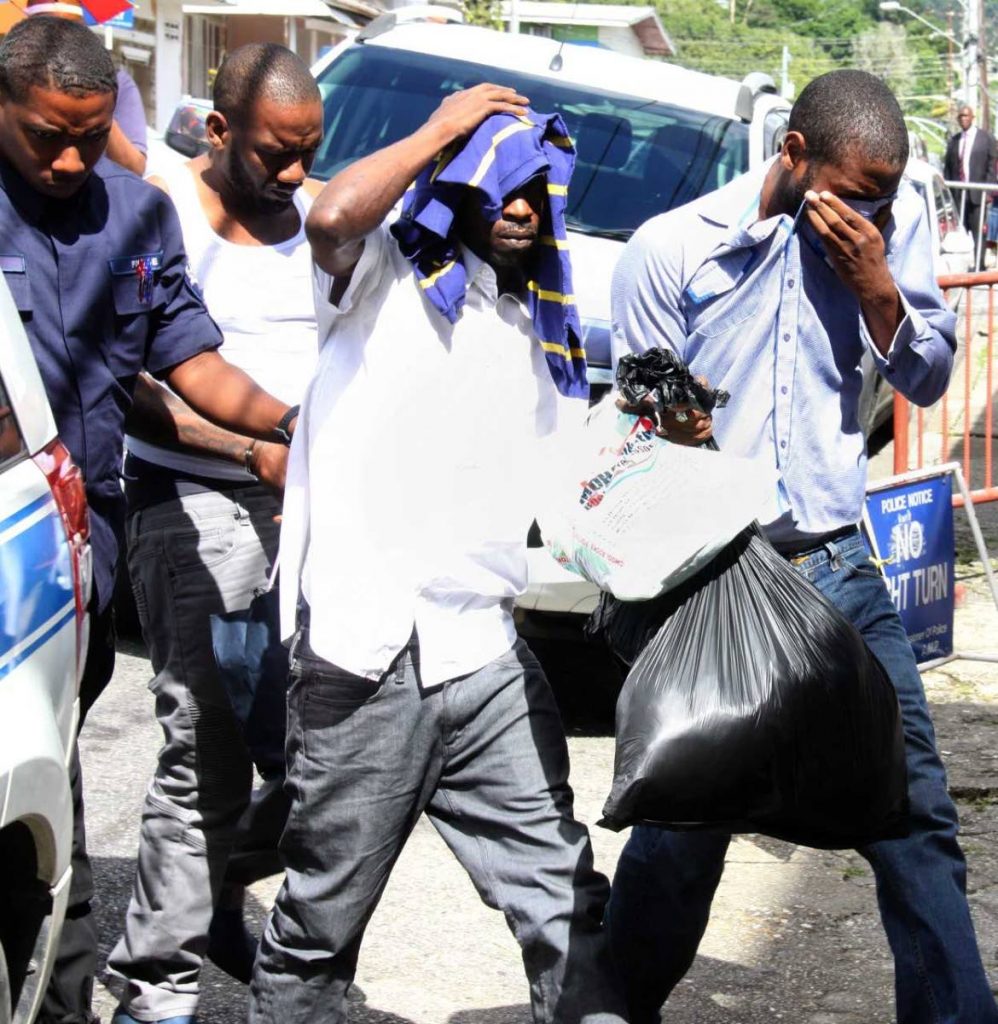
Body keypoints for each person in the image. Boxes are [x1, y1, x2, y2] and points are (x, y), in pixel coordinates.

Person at [608, 69, 997, 1024]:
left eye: (888, 190)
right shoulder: (675, 249)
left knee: (916, 816)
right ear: (794, 155)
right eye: (857, 189)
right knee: (685, 826)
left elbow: (928, 374)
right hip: (714, 575)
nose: (876, 209)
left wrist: (878, 289)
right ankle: (611, 1006)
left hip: (839, 568)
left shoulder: (889, 231)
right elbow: (642, 425)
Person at [247, 84, 627, 1024]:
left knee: (567, 903)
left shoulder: (538, 330)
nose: (522, 208)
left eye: (539, 192)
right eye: (501, 185)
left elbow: (571, 497)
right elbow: (332, 213)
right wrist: (444, 127)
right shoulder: (376, 275)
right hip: (364, 655)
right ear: (454, 185)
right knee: (318, 930)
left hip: (483, 656)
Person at [0, 17, 298, 1024]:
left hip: (71, 557)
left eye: (89, 135)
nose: (71, 158)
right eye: (48, 136)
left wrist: (289, 426)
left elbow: (192, 361)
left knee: (48, 781)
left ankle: (59, 997)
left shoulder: (136, 215)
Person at [105, 43, 323, 1024]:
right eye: (275, 153)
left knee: (340, 752)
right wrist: (250, 450)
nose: (292, 174)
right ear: (220, 130)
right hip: (189, 506)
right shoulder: (164, 208)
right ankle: (158, 990)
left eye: (308, 152)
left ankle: (216, 874)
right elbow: (139, 387)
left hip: (313, 515)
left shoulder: (328, 218)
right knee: (205, 752)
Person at [25, 0, 148, 174]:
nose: (58, 40)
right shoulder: (11, 81)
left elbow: (133, 169)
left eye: (70, 30)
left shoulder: (118, 83)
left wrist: (97, 105)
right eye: (45, 30)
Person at [943, 104, 997, 269]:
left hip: (977, 195)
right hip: (959, 195)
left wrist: (986, 190)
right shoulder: (954, 141)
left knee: (978, 230)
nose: (963, 119)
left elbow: (992, 166)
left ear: (973, 117)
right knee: (960, 231)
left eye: (966, 116)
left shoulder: (985, 139)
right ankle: (960, 265)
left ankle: (979, 264)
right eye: (960, 116)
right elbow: (948, 168)